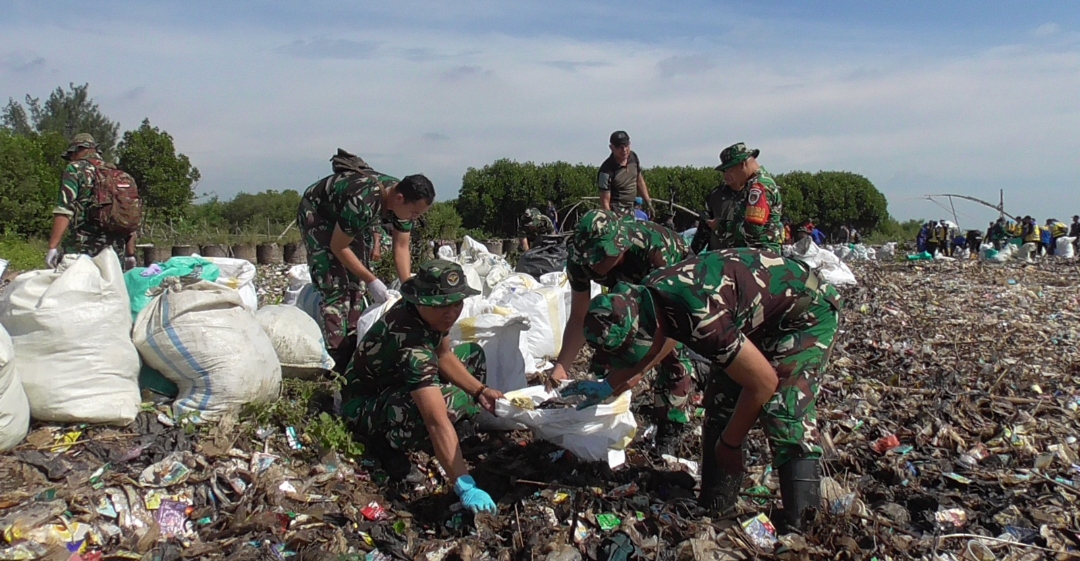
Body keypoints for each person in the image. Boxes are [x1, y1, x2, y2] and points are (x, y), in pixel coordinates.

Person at [563, 248, 842, 531]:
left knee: (785, 410)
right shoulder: (649, 296)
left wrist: (730, 443)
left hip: (804, 311)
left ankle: (803, 526)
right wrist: (609, 385)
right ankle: (716, 508)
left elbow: (763, 383)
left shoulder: (702, 316)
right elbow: (664, 334)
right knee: (720, 402)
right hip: (754, 313)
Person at [343, 260, 500, 514]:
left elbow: (444, 354)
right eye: (442, 306)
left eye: (457, 304)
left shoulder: (429, 318)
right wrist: (464, 484)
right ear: (420, 301)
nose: (451, 313)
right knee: (439, 406)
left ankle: (451, 438)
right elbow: (435, 419)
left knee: (472, 354)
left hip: (400, 383)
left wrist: (480, 391)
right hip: (366, 407)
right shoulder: (412, 346)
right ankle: (388, 448)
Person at [551, 210, 696, 450]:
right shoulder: (581, 259)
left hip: (673, 279)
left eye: (600, 258)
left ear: (621, 246)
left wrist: (639, 371)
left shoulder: (652, 250)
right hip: (625, 288)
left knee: (672, 355)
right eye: (589, 259)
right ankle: (605, 403)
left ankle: (670, 425)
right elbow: (579, 316)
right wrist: (561, 366)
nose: (594, 266)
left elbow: (673, 328)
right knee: (608, 327)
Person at [298, 148, 434, 371]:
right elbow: (338, 246)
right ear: (399, 198)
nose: (415, 218)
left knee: (357, 286)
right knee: (335, 286)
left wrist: (407, 286)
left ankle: (354, 343)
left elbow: (401, 246)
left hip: (349, 220)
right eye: (414, 214)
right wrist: (373, 280)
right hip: (319, 214)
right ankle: (336, 360)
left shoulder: (404, 204)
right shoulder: (365, 200)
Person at [47, 133, 138, 270]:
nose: (70, 159)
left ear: (76, 151)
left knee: (78, 288)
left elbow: (65, 209)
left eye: (71, 155)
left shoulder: (75, 169)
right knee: (109, 289)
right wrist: (130, 254)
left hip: (84, 247)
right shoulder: (119, 174)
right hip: (115, 248)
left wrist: (52, 247)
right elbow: (129, 216)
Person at [697, 143, 785, 253]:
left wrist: (721, 226)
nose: (728, 176)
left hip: (758, 256)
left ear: (742, 164)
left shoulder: (758, 187)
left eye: (730, 170)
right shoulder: (754, 184)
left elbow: (752, 230)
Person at [597, 131, 653, 217]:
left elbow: (639, 180)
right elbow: (604, 201)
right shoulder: (606, 171)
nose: (624, 150)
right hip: (616, 211)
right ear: (611, 147)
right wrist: (611, 221)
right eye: (620, 147)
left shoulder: (633, 158)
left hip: (632, 208)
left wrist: (648, 202)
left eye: (626, 146)